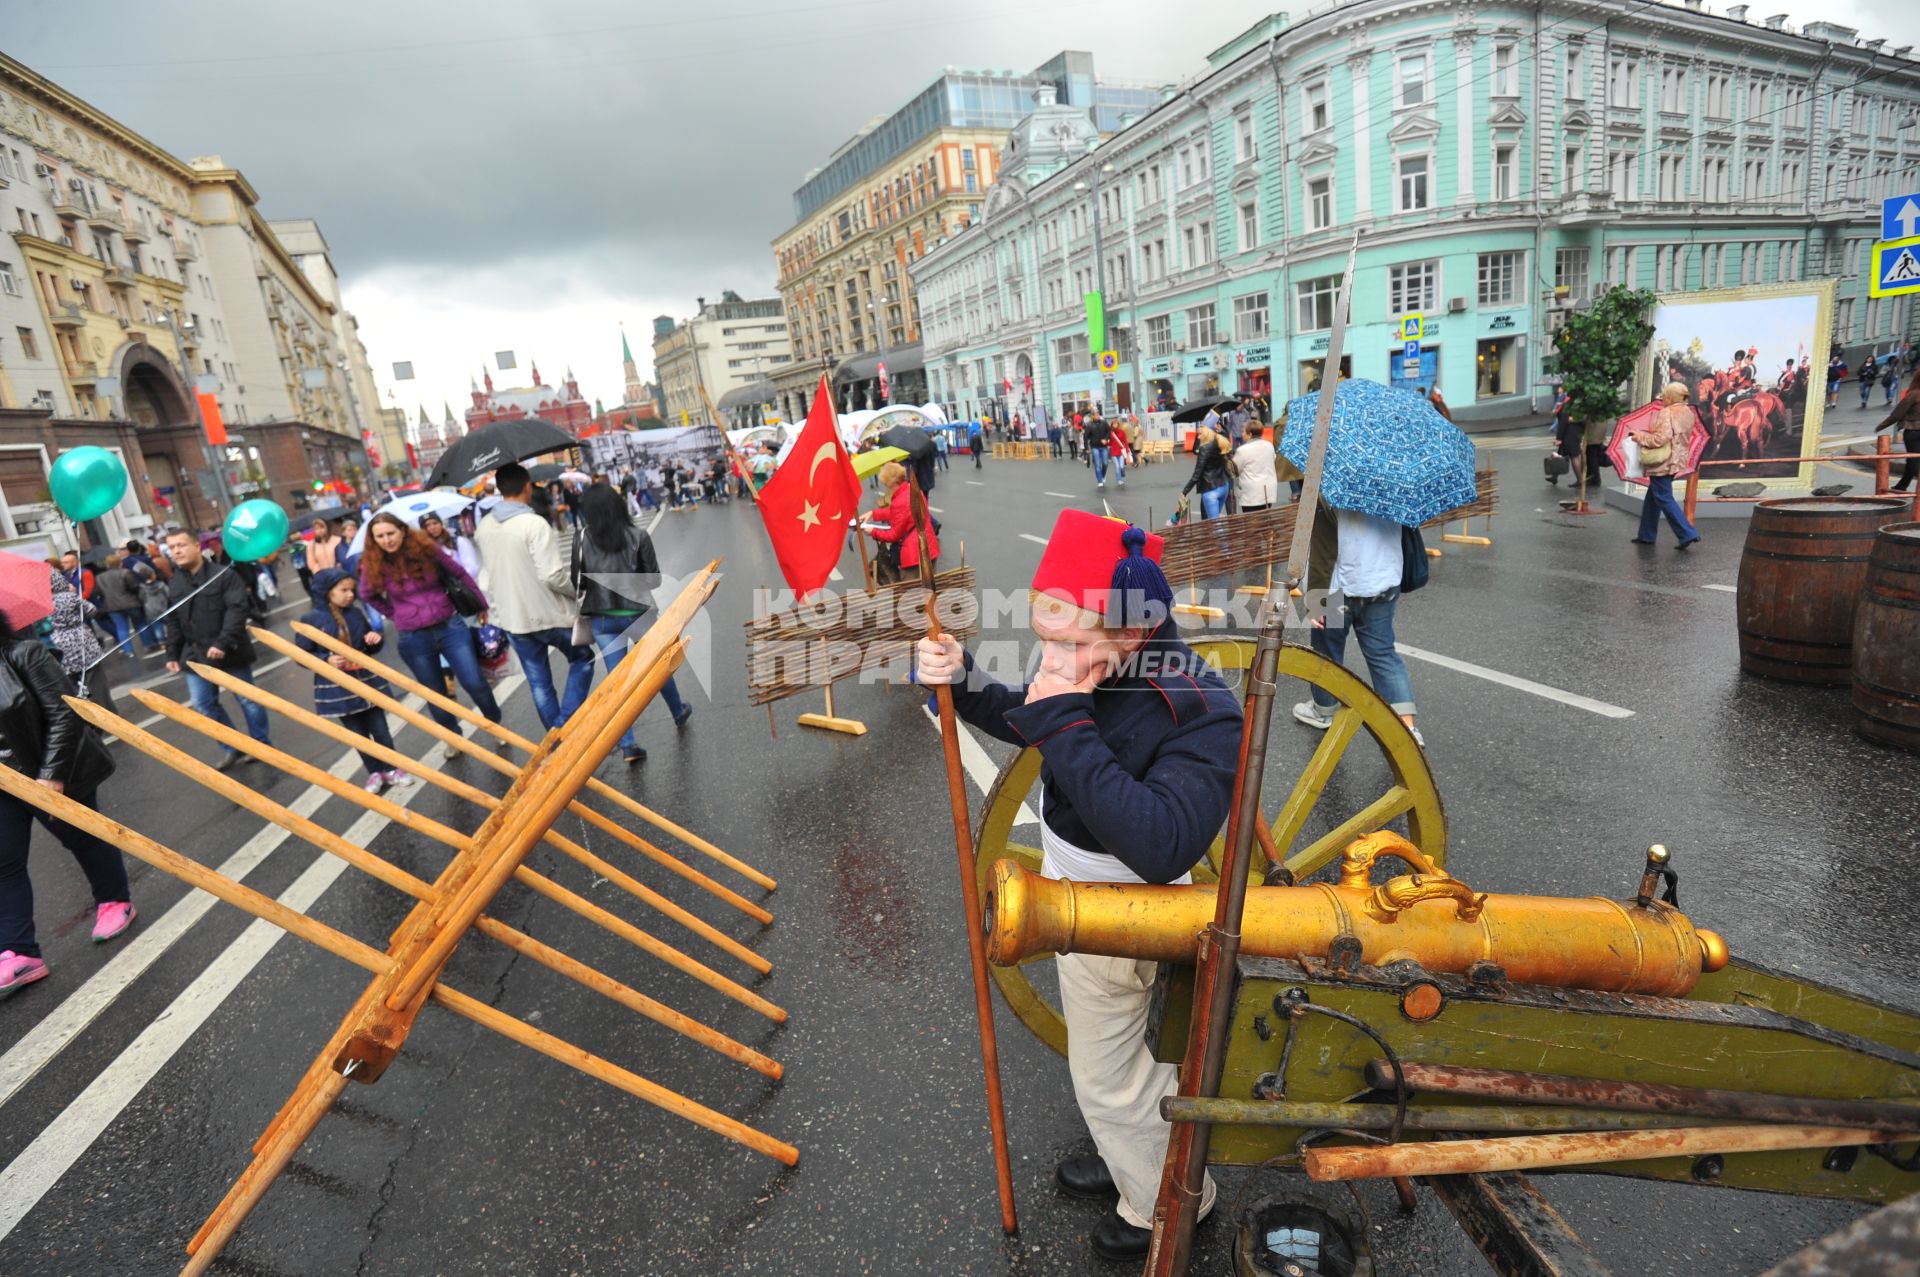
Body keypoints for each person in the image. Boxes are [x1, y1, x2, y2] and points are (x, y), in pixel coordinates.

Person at [913, 510, 1241, 1261]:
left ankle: (1165, 1200)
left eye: (1067, 642)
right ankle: (1133, 1152)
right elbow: (1032, 715)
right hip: (1071, 885)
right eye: (1044, 637)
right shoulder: (1099, 662)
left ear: (1131, 633)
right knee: (1121, 1059)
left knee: (1108, 1076)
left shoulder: (1200, 707)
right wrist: (961, 680)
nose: (1050, 659)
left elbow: (1159, 844)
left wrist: (1063, 716)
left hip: (1132, 907)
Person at [0, 611, 136, 989]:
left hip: (47, 769)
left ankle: (115, 900)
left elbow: (63, 714)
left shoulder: (25, 654)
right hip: (3, 783)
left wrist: (52, 774)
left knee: (84, 839)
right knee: (3, 863)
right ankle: (18, 951)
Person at [571, 485, 694, 765]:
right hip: (639, 613)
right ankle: (678, 711)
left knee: (619, 682)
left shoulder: (581, 539)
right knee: (657, 667)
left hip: (602, 618)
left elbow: (576, 580)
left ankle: (628, 744)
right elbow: (654, 580)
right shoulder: (638, 536)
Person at [474, 464, 595, 733]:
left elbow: (485, 579)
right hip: (549, 614)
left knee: (539, 683)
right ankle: (565, 725)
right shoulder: (533, 523)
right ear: (527, 486)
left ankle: (557, 740)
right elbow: (553, 575)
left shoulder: (484, 526)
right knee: (583, 659)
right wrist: (579, 591)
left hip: (514, 619)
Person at [358, 513, 503, 735]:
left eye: (390, 533)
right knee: (435, 693)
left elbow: (460, 573)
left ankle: (495, 726)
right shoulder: (373, 564)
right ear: (373, 539)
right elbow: (367, 594)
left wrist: (480, 604)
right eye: (380, 536)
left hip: (450, 626)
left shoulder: (427, 549)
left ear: (403, 531)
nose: (386, 540)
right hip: (413, 638)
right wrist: (394, 614)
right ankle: (452, 736)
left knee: (474, 681)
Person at [1293, 505, 1425, 745]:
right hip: (1384, 581)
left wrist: (1315, 599)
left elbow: (1323, 551)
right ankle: (1408, 728)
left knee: (1327, 653)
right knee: (1383, 654)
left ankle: (1323, 710)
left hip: (1338, 589)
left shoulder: (1333, 489)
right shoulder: (1394, 485)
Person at [296, 568, 414, 794]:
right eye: (343, 590)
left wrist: (373, 640)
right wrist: (326, 659)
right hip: (336, 689)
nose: (350, 595)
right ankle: (374, 772)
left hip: (366, 681)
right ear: (327, 592)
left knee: (380, 730)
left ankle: (392, 768)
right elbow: (302, 655)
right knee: (357, 735)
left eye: (352, 590)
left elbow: (371, 644)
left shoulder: (355, 613)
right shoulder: (310, 620)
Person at [164, 527, 272, 770]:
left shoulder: (223, 575)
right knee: (203, 704)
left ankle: (261, 745)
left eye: (181, 545)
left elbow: (237, 610)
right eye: (171, 547)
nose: (176, 551)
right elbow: (173, 619)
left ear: (197, 546)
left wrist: (222, 642)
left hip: (229, 650)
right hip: (195, 655)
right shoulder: (176, 581)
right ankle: (231, 746)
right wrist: (172, 653)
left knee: (248, 700)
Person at [1630, 383, 1702, 549]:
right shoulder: (1687, 412)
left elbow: (1659, 439)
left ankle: (1687, 533)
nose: (1663, 399)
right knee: (1653, 497)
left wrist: (1639, 437)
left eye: (1665, 395)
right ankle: (1646, 535)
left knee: (1663, 497)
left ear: (1670, 396)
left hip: (1663, 461)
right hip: (1677, 460)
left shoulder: (1667, 413)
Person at [866, 460, 940, 586]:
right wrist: (874, 514)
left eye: (887, 485)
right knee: (929, 591)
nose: (887, 488)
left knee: (911, 598)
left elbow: (894, 535)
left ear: (894, 483)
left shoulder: (900, 501)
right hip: (930, 548)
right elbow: (902, 513)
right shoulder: (914, 490)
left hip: (914, 557)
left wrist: (873, 532)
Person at [95, 553, 149, 656]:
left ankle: (128, 650)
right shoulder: (125, 573)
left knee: (121, 628)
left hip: (112, 606)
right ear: (120, 563)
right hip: (130, 603)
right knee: (140, 623)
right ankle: (147, 644)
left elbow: (97, 592)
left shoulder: (99, 577)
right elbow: (133, 587)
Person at [1878, 367, 1920, 493]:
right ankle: (1902, 485)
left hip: (1913, 431)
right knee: (1913, 460)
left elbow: (1897, 414)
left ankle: (1902, 486)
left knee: (1912, 460)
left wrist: (1880, 426)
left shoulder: (1914, 394)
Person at [1183, 425, 1233, 519]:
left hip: (1210, 489)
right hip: (1223, 486)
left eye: (1200, 434)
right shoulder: (1221, 443)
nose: (1198, 437)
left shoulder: (1205, 449)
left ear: (1206, 434)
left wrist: (1185, 491)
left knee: (1215, 524)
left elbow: (1197, 474)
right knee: (1215, 521)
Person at [1232, 422, 1279, 512]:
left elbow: (1235, 469)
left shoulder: (1242, 450)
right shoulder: (1269, 446)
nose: (1242, 434)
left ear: (1250, 434)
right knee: (1265, 517)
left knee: (1252, 521)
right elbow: (1273, 459)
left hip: (1251, 493)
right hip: (1268, 489)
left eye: (1244, 432)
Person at [419, 511, 481, 578]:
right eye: (427, 525)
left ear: (441, 524)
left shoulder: (458, 541)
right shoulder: (423, 549)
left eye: (435, 523)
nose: (432, 528)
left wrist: (458, 581)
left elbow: (472, 568)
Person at [1084, 412, 1114, 488]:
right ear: (1093, 416)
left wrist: (1106, 439)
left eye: (1098, 415)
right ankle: (1099, 480)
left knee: (1105, 463)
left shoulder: (1103, 423)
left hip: (1104, 446)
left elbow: (1109, 431)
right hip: (1095, 447)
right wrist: (1086, 448)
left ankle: (1103, 476)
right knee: (1097, 464)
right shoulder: (1089, 425)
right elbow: (1085, 437)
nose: (1097, 416)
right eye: (1096, 415)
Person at [1107, 418, 1130, 488]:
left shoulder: (1122, 432)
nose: (1115, 425)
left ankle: (1122, 474)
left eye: (1116, 424)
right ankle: (1119, 480)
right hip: (1114, 452)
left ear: (1118, 424)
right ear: (1112, 425)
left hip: (1121, 451)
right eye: (1114, 424)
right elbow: (1110, 443)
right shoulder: (1110, 433)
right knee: (1117, 467)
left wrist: (1127, 450)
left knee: (1121, 466)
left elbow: (1125, 442)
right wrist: (1106, 443)